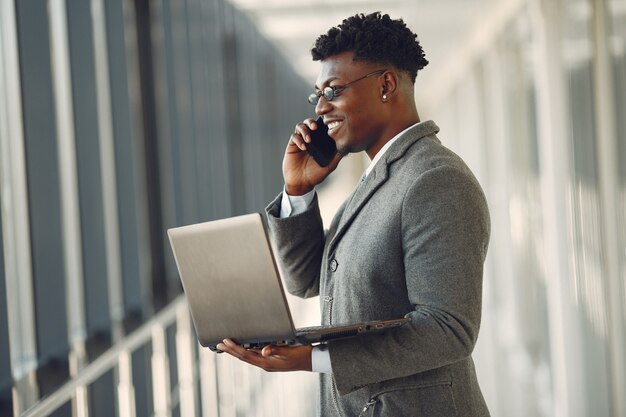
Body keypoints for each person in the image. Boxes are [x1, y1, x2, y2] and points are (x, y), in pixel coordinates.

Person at [217, 12, 491, 417]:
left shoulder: (435, 181)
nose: (321, 107)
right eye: (318, 95)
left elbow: (448, 329)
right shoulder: (374, 179)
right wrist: (298, 189)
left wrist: (316, 358)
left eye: (334, 90)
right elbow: (307, 280)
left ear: (386, 85)